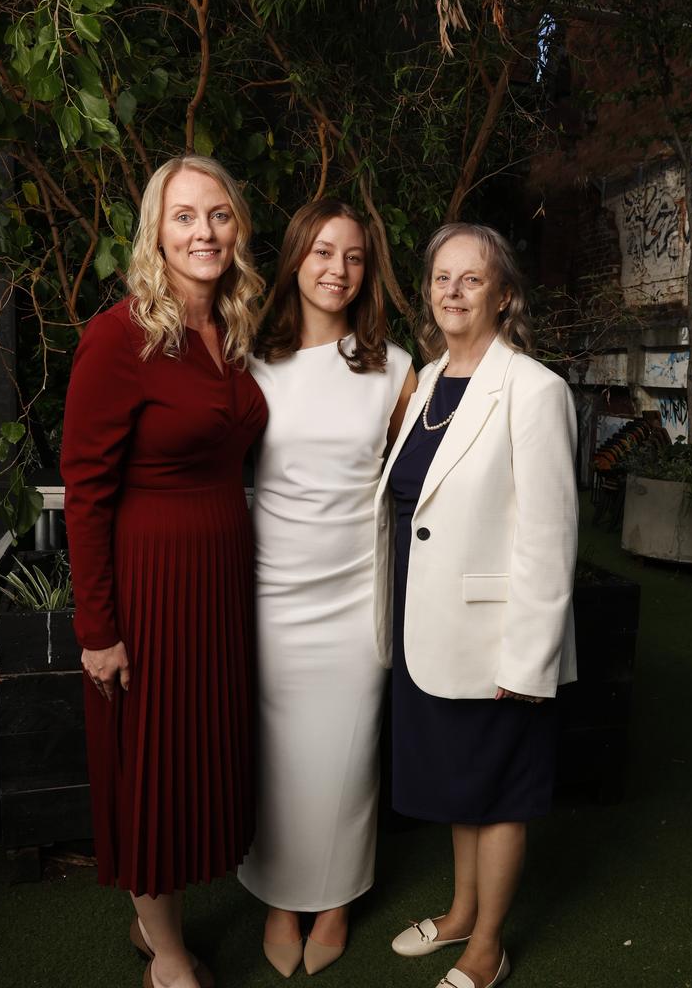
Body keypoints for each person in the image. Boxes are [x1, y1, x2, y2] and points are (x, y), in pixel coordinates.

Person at [61, 155, 267, 988]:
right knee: (149, 760)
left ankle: (161, 925)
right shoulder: (120, 336)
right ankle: (166, 947)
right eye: (184, 216)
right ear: (156, 231)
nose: (203, 232)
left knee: (191, 757)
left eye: (218, 215)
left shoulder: (237, 330)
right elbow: (85, 490)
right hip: (149, 583)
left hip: (218, 581)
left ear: (237, 229)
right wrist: (99, 629)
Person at [373, 223, 578, 988]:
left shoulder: (534, 388)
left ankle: (486, 945)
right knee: (463, 783)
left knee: (496, 794)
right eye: (441, 278)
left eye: (472, 279)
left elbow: (550, 534)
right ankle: (460, 912)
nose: (453, 291)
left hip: (498, 637)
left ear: (505, 295)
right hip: (428, 627)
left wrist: (529, 658)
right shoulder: (427, 381)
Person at [237, 199, 416, 977]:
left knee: (346, 754)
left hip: (355, 590)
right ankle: (281, 896)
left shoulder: (396, 368)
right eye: (321, 252)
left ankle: (337, 898)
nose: (336, 269)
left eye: (352, 256)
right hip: (270, 585)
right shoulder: (250, 359)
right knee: (278, 751)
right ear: (295, 260)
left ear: (367, 270)